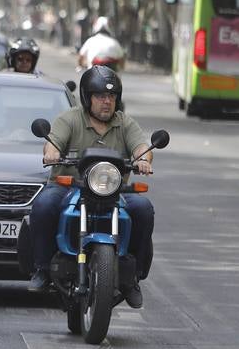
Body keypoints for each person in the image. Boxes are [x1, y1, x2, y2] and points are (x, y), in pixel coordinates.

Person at [27, 65, 153, 306]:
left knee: (143, 209)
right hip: (69, 187)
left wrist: (143, 160)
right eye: (100, 96)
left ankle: (132, 277)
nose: (107, 102)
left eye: (112, 96)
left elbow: (141, 147)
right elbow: (53, 142)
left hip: (114, 193)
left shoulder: (124, 123)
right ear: (87, 97)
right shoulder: (70, 118)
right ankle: (42, 268)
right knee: (43, 205)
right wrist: (52, 152)